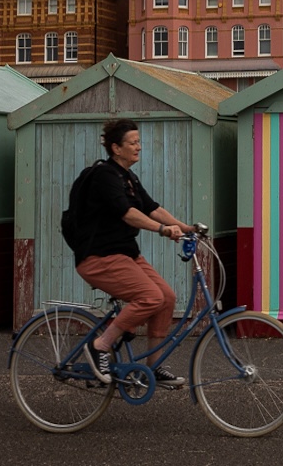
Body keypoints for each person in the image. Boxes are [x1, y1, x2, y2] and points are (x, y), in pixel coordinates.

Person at [76, 118, 195, 387]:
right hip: (99, 257)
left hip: (125, 255)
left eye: (139, 141)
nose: (139, 147)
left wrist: (185, 227)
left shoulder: (128, 177)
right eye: (133, 142)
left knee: (166, 297)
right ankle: (100, 346)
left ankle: (153, 367)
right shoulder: (104, 175)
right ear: (116, 148)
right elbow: (129, 214)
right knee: (150, 296)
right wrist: (163, 230)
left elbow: (152, 208)